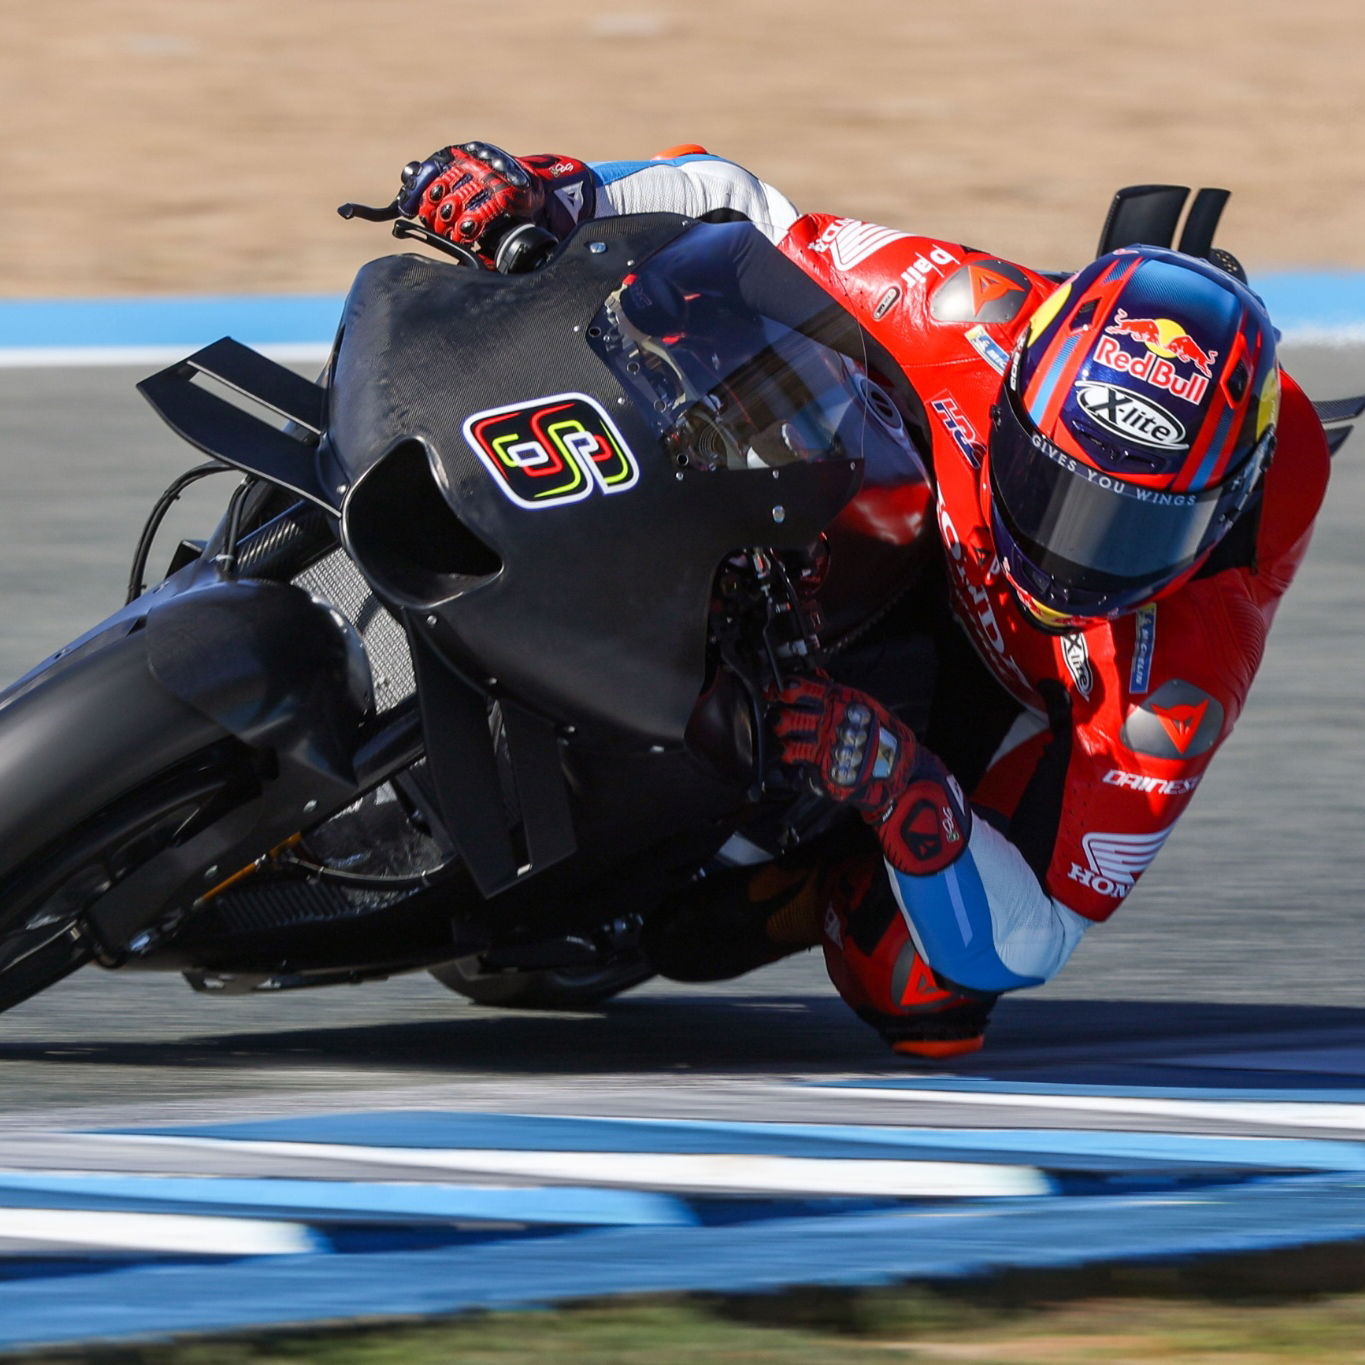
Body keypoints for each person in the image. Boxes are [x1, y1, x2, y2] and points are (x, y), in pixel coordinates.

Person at [396, 142, 1330, 1059]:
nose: (1067, 558)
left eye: (1130, 533)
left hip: (1002, 695)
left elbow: (1032, 936)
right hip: (893, 508)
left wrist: (900, 784)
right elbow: (739, 208)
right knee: (710, 338)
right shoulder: (964, 313)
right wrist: (549, 191)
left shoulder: (1174, 687)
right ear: (1016, 386)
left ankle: (807, 865)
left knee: (923, 994)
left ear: (1220, 518)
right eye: (1054, 490)